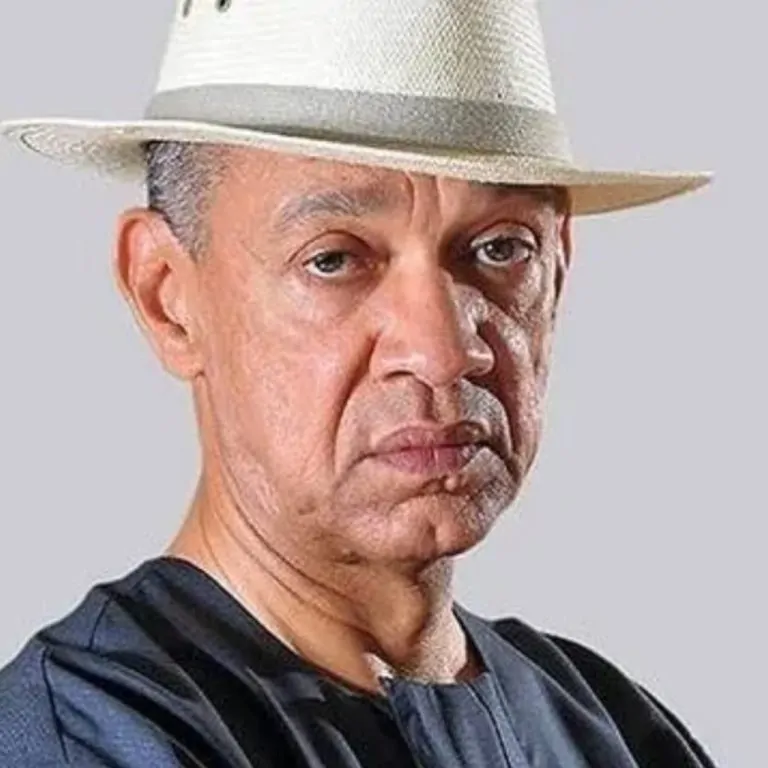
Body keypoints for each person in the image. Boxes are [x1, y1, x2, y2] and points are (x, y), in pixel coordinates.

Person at [0, 0, 715, 766]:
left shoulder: (610, 728)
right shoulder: (92, 734)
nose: (443, 351)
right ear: (166, 296)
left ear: (559, 268)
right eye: (334, 259)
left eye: (501, 248)